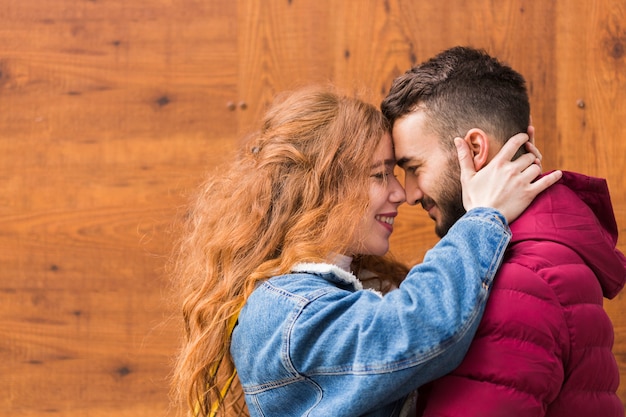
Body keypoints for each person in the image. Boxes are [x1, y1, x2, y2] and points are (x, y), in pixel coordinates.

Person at [170, 85, 561, 417]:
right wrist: (484, 217)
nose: (399, 193)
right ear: (321, 187)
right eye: (380, 175)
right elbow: (424, 327)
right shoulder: (286, 313)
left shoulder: (334, 294)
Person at [381, 46, 626, 417]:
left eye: (414, 167)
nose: (410, 193)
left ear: (475, 149)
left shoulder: (516, 281)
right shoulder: (537, 254)